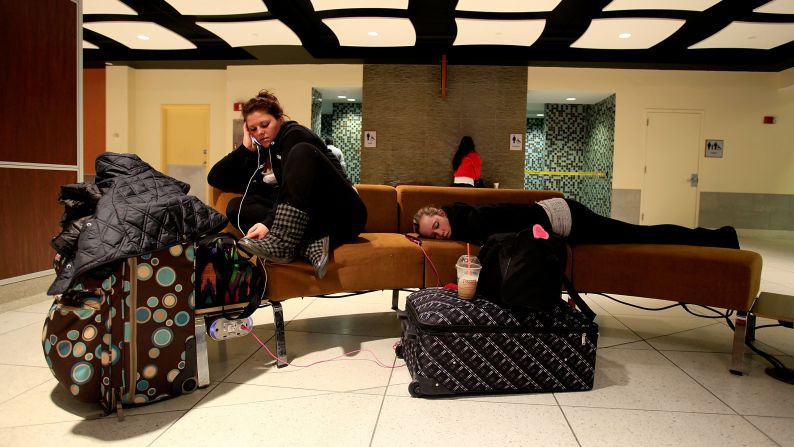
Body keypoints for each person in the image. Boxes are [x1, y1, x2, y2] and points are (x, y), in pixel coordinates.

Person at [228, 90, 367, 278]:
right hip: (315, 218)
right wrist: (246, 146)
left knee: (302, 151)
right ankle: (308, 244)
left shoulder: (295, 134)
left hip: (345, 215)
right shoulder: (272, 147)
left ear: (280, 119)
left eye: (265, 125)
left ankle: (284, 243)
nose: (260, 132)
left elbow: (288, 190)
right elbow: (216, 177)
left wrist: (269, 223)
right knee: (236, 207)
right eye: (253, 129)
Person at [412, 198, 740, 249]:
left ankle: (719, 238)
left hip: (566, 218)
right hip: (560, 215)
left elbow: (526, 222)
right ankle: (717, 237)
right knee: (637, 235)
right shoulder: (467, 224)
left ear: (441, 213)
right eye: (433, 236)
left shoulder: (472, 220)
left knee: (639, 236)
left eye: (437, 225)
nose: (440, 234)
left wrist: (545, 235)